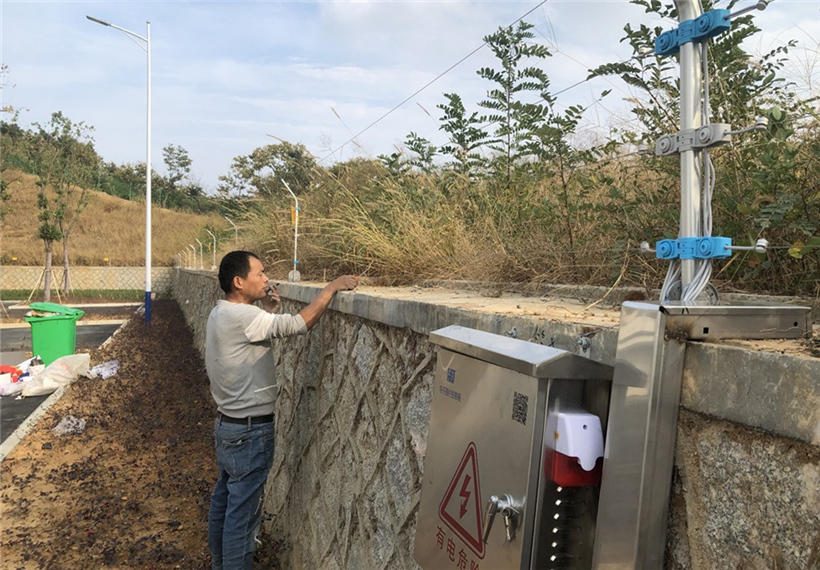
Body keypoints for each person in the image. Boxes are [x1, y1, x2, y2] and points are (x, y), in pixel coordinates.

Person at [205, 250, 357, 569]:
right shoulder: (243, 317)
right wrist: (331, 287)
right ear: (239, 281)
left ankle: (220, 564)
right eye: (260, 273)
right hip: (249, 432)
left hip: (228, 426)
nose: (266, 279)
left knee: (225, 500)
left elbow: (252, 334)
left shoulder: (221, 312)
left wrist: (267, 311)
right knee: (243, 517)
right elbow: (299, 324)